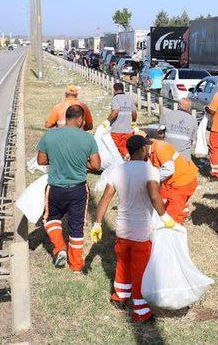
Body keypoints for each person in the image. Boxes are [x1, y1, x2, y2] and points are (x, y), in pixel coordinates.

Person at [91, 135, 177, 323]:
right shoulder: (150, 170)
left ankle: (119, 296)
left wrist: (97, 223)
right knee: (140, 270)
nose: (149, 150)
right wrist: (166, 217)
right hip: (141, 231)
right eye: (147, 148)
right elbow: (154, 196)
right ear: (142, 150)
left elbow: (105, 198)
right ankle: (141, 310)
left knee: (123, 262)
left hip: (122, 228)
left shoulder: (118, 170)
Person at [37, 105, 101, 271]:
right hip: (78, 189)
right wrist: (81, 163)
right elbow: (96, 165)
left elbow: (41, 161)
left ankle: (59, 248)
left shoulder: (49, 135)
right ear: (80, 119)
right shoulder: (88, 139)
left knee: (50, 218)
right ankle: (76, 265)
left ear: (66, 117)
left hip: (55, 188)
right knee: (77, 226)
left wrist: (58, 160)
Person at [148, 134, 199, 224]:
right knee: (162, 200)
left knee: (173, 216)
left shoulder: (160, 148)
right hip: (175, 180)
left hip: (182, 182)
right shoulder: (152, 148)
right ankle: (184, 215)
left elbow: (168, 170)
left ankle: (175, 229)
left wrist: (152, 178)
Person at [108, 82, 137, 158]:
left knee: (118, 151)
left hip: (117, 131)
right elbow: (134, 113)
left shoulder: (115, 99)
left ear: (114, 90)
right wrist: (133, 122)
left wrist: (107, 121)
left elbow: (115, 111)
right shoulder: (129, 98)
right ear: (123, 89)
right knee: (127, 148)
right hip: (128, 130)